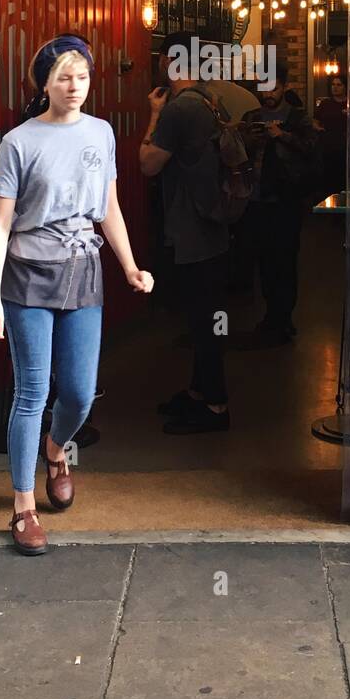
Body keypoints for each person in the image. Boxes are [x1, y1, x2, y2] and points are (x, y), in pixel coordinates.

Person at [0, 34, 154, 555]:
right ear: (45, 84)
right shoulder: (20, 142)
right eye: (63, 77)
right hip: (29, 274)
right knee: (32, 392)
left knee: (79, 392)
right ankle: (23, 506)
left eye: (81, 76)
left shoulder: (101, 134)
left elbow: (109, 208)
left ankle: (56, 451)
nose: (74, 86)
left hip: (84, 271)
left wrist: (129, 266)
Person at [140, 30, 232, 435]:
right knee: (205, 315)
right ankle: (200, 393)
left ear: (168, 60)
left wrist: (154, 113)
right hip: (212, 222)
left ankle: (215, 406)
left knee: (202, 318)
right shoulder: (210, 99)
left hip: (194, 228)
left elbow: (148, 164)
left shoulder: (178, 110)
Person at [240, 64, 319, 344]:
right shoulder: (252, 117)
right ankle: (272, 315)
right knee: (264, 261)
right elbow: (237, 154)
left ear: (284, 87)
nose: (267, 94)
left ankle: (283, 317)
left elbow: (312, 148)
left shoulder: (297, 118)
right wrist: (248, 138)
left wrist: (281, 136)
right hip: (257, 199)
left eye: (273, 87)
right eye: (263, 87)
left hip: (286, 200)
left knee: (285, 260)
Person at [313, 74, 348, 200]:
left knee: (344, 178)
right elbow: (315, 120)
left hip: (345, 147)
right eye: (333, 85)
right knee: (329, 179)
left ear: (345, 86)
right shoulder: (325, 103)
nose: (335, 88)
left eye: (339, 85)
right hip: (328, 147)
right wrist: (318, 128)